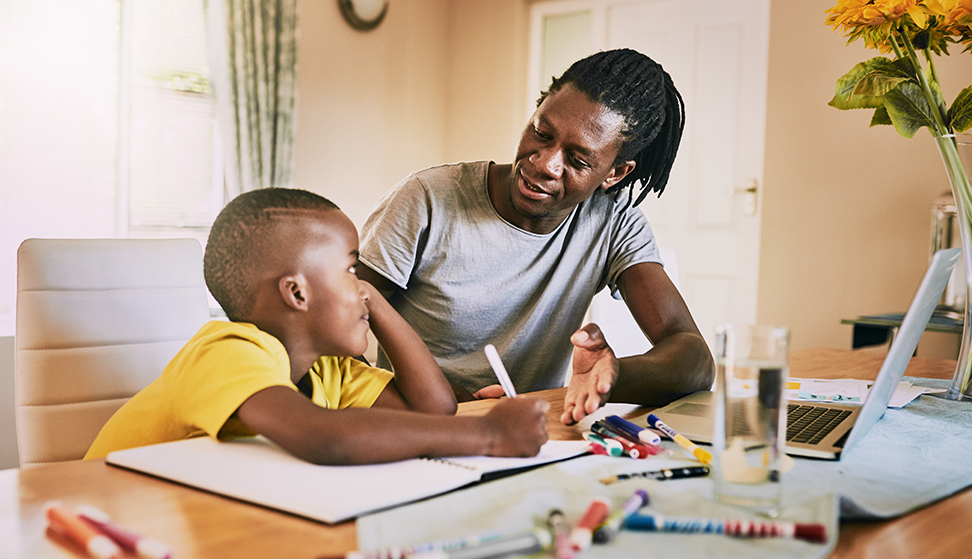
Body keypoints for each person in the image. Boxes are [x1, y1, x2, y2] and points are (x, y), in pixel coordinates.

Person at [357, 48, 715, 425]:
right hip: (419, 424)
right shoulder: (427, 200)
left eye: (577, 160)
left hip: (529, 436)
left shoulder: (614, 223)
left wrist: (612, 378)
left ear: (615, 174)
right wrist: (447, 402)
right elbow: (326, 334)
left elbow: (694, 360)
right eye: (541, 133)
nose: (544, 163)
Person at [83, 188, 549, 464]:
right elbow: (325, 437)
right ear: (297, 293)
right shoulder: (227, 350)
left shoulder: (328, 371)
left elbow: (433, 410)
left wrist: (371, 301)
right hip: (100, 522)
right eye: (351, 269)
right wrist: (489, 436)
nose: (363, 285)